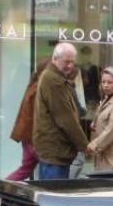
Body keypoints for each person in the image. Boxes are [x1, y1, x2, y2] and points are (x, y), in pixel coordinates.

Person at [34, 42, 89, 179]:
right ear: (55, 59)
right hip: (55, 150)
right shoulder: (54, 81)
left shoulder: (56, 77)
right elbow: (65, 118)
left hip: (54, 149)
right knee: (53, 195)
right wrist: (84, 145)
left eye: (72, 62)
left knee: (48, 194)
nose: (70, 65)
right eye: (66, 61)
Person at [6, 60, 49, 181]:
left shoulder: (33, 86)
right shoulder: (38, 89)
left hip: (28, 136)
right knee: (43, 167)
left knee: (25, 169)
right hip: (34, 136)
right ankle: (3, 187)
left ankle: (2, 188)